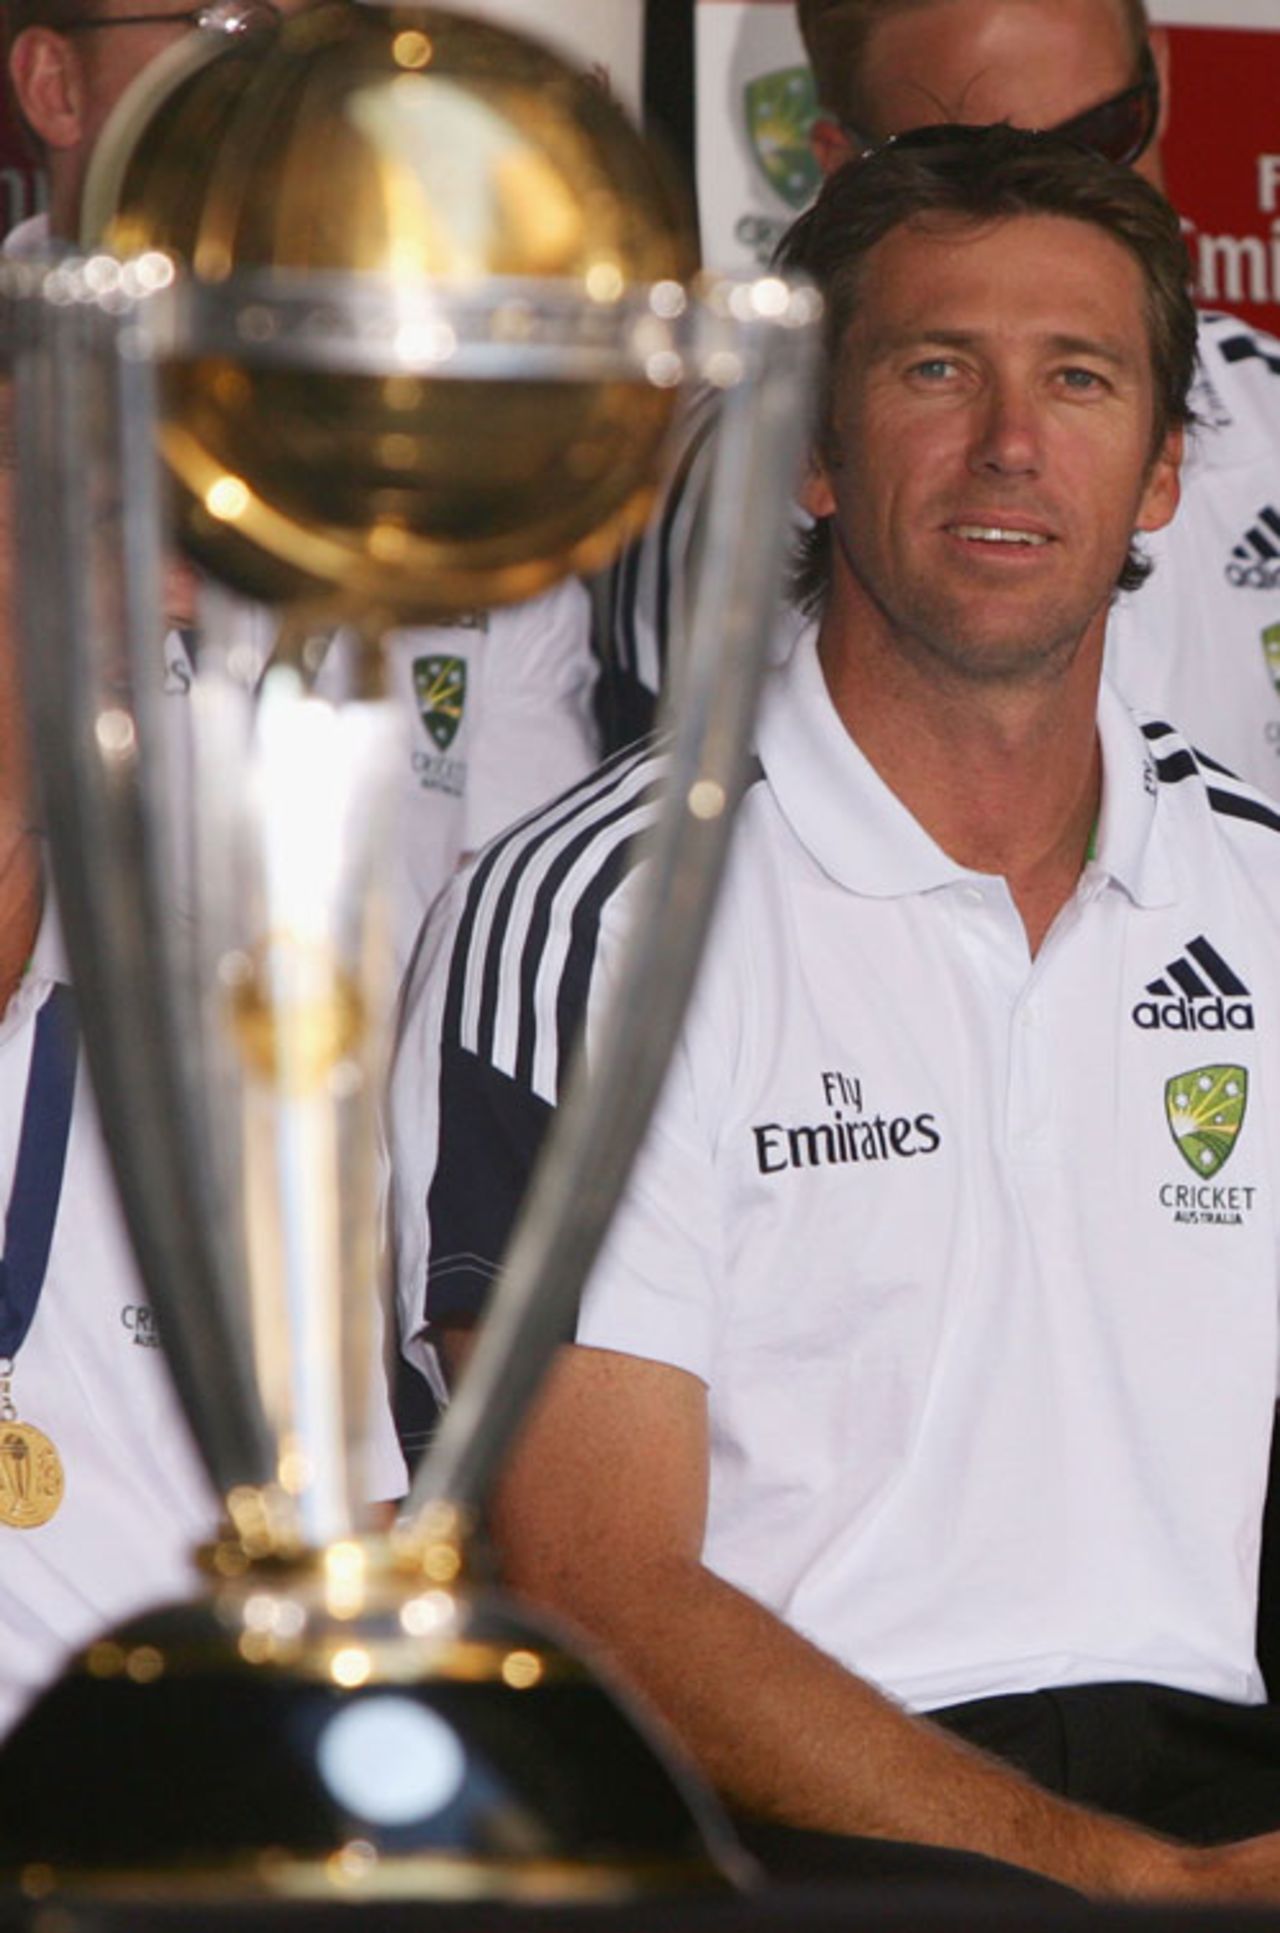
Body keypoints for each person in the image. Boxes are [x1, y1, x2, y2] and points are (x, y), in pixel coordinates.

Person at [390, 127, 1280, 1900]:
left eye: (1080, 378)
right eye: (937, 369)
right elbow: (592, 1581)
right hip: (798, 1834)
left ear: (1165, 473)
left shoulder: (1259, 886)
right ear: (810, 451)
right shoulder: (607, 913)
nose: (1012, 441)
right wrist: (1124, 1881)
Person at [4, 0, 602, 972]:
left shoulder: (455, 456)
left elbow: (519, 946)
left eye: (328, 27)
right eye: (232, 21)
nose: (294, 75)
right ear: (54, 86)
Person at [595, 0, 1280, 795]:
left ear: (1158, 75)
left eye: (1103, 136)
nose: (1047, 213)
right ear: (842, 166)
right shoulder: (740, 465)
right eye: (968, 171)